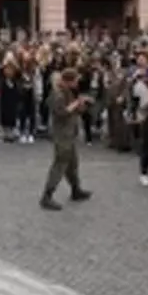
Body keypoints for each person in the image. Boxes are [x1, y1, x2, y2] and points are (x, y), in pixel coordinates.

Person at [40, 68, 93, 211]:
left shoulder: (68, 93)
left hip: (70, 134)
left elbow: (75, 110)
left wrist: (82, 104)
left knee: (72, 164)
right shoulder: (57, 95)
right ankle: (47, 195)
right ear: (68, 81)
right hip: (62, 135)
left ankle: (76, 189)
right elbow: (61, 112)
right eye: (75, 80)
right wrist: (76, 104)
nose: (77, 83)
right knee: (60, 165)